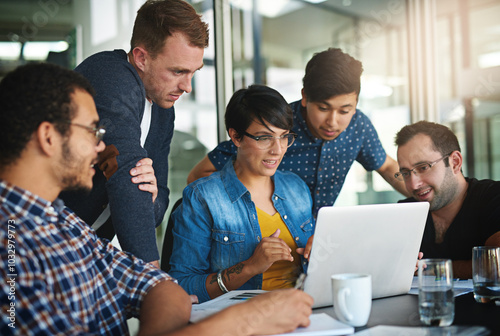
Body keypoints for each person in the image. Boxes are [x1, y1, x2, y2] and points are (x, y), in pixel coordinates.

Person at [0, 63, 313, 336]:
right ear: (49, 137)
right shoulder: (9, 247)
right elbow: (179, 285)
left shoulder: (63, 221)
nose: (101, 147)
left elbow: (155, 284)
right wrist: (246, 319)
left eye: (284, 137)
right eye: (93, 131)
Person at [60, 0, 209, 266]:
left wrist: (149, 199)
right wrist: (153, 283)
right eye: (178, 71)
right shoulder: (111, 76)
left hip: (84, 253)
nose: (187, 86)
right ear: (141, 57)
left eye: (193, 72)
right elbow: (126, 177)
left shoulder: (164, 108)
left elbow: (158, 202)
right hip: (33, 242)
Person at [188, 48, 408, 217]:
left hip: (319, 243)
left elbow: (388, 167)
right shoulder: (278, 125)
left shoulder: (358, 126)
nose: (333, 122)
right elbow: (198, 175)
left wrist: (422, 194)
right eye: (323, 108)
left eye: (345, 110)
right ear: (305, 96)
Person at [168, 85, 315, 303]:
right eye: (264, 138)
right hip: (242, 319)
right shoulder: (203, 197)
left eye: (284, 137)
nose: (278, 149)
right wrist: (249, 267)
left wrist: (319, 250)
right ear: (236, 137)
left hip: (304, 309)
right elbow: (182, 285)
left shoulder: (296, 187)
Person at [395, 121, 500, 279]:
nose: (413, 184)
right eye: (405, 173)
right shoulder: (404, 212)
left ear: (455, 162)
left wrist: (428, 269)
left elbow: (496, 266)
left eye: (423, 167)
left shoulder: (493, 197)